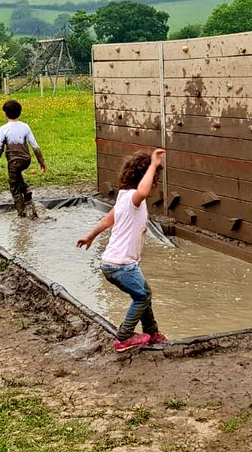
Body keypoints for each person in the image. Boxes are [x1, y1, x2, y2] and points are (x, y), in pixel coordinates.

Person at [76, 149, 167, 352]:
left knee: (145, 293)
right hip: (122, 265)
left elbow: (108, 220)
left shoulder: (123, 197)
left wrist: (90, 236)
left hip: (113, 263)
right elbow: (142, 192)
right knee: (142, 297)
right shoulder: (135, 199)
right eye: (154, 178)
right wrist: (153, 164)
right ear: (146, 178)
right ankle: (124, 337)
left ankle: (152, 332)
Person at [0, 99, 46, 218]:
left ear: (4, 113)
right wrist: (42, 162)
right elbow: (35, 146)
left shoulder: (3, 129)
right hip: (26, 160)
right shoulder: (25, 126)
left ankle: (21, 214)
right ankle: (26, 190)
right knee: (17, 176)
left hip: (14, 162)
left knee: (14, 187)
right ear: (19, 112)